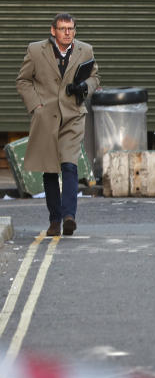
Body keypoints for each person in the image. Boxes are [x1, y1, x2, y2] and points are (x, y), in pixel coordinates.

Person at [16, 13, 100, 237]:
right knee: (50, 169)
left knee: (70, 164)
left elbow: (95, 77)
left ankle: (69, 216)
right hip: (46, 117)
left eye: (71, 29)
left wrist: (83, 87)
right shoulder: (36, 51)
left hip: (73, 114)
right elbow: (23, 81)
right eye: (63, 29)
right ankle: (55, 219)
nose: (67, 33)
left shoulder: (85, 50)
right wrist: (36, 106)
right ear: (53, 31)